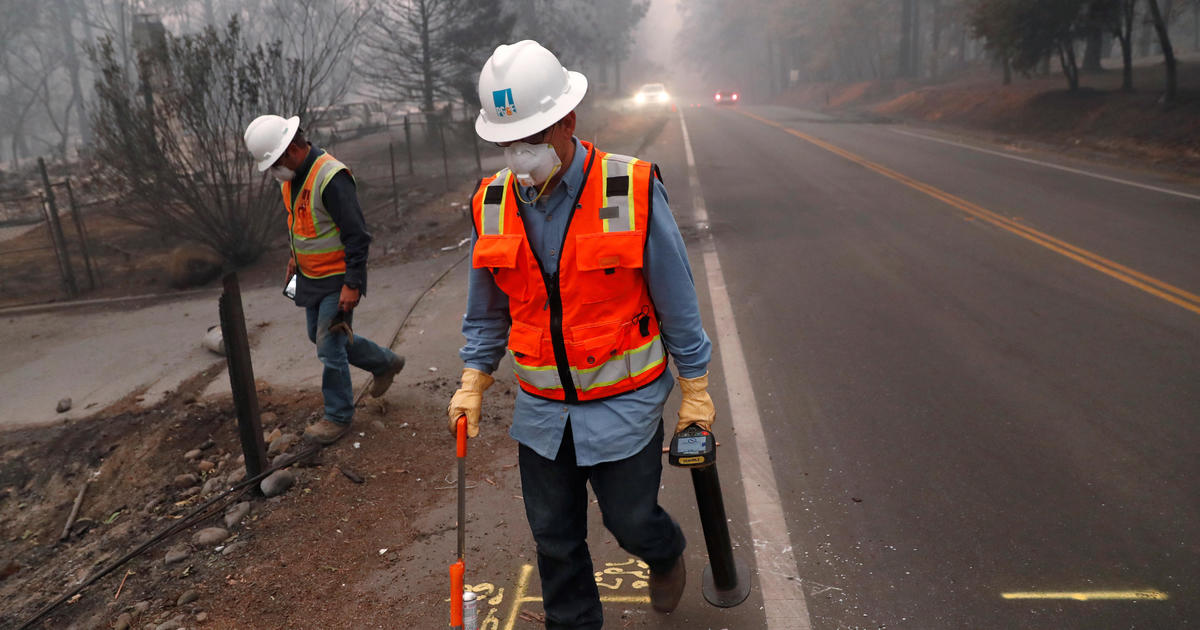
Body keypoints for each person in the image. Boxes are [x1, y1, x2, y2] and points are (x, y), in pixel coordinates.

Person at [448, 41, 715, 629]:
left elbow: (676, 297)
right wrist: (473, 378)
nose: (518, 154)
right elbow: (486, 310)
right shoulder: (491, 204)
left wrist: (694, 384)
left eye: (532, 136)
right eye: (505, 142)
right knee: (554, 541)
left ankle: (664, 552)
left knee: (631, 521)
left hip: (625, 401)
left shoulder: (631, 188)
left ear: (568, 120)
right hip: (542, 409)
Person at [243, 114, 405, 445]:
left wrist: (353, 284)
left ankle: (338, 416)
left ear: (291, 149)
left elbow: (357, 236)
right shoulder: (291, 179)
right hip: (311, 275)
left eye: (275, 162)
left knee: (329, 346)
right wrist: (295, 258)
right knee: (321, 338)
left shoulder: (331, 177)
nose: (274, 171)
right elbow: (303, 223)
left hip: (337, 277)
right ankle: (386, 363)